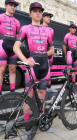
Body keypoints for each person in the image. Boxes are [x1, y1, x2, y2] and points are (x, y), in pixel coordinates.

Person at [13, 2, 54, 138]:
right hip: (32, 65)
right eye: (35, 11)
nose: (37, 13)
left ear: (42, 14)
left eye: (40, 11)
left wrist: (43, 54)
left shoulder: (48, 30)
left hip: (44, 64)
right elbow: (16, 47)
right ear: (30, 13)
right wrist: (25, 60)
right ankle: (27, 125)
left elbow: (52, 49)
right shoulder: (25, 28)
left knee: (42, 93)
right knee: (28, 95)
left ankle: (41, 120)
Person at [0, 0, 20, 95]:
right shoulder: (0, 17)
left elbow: (18, 36)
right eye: (11, 5)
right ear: (5, 6)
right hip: (2, 43)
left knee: (12, 69)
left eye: (14, 6)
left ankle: (12, 92)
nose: (13, 7)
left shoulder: (17, 21)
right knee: (2, 69)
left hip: (13, 45)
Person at [42, 12, 58, 92]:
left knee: (49, 69)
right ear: (43, 18)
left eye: (50, 17)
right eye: (47, 16)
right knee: (42, 69)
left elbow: (51, 41)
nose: (49, 18)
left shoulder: (51, 30)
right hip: (41, 51)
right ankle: (40, 87)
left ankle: (49, 86)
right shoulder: (40, 27)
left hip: (49, 52)